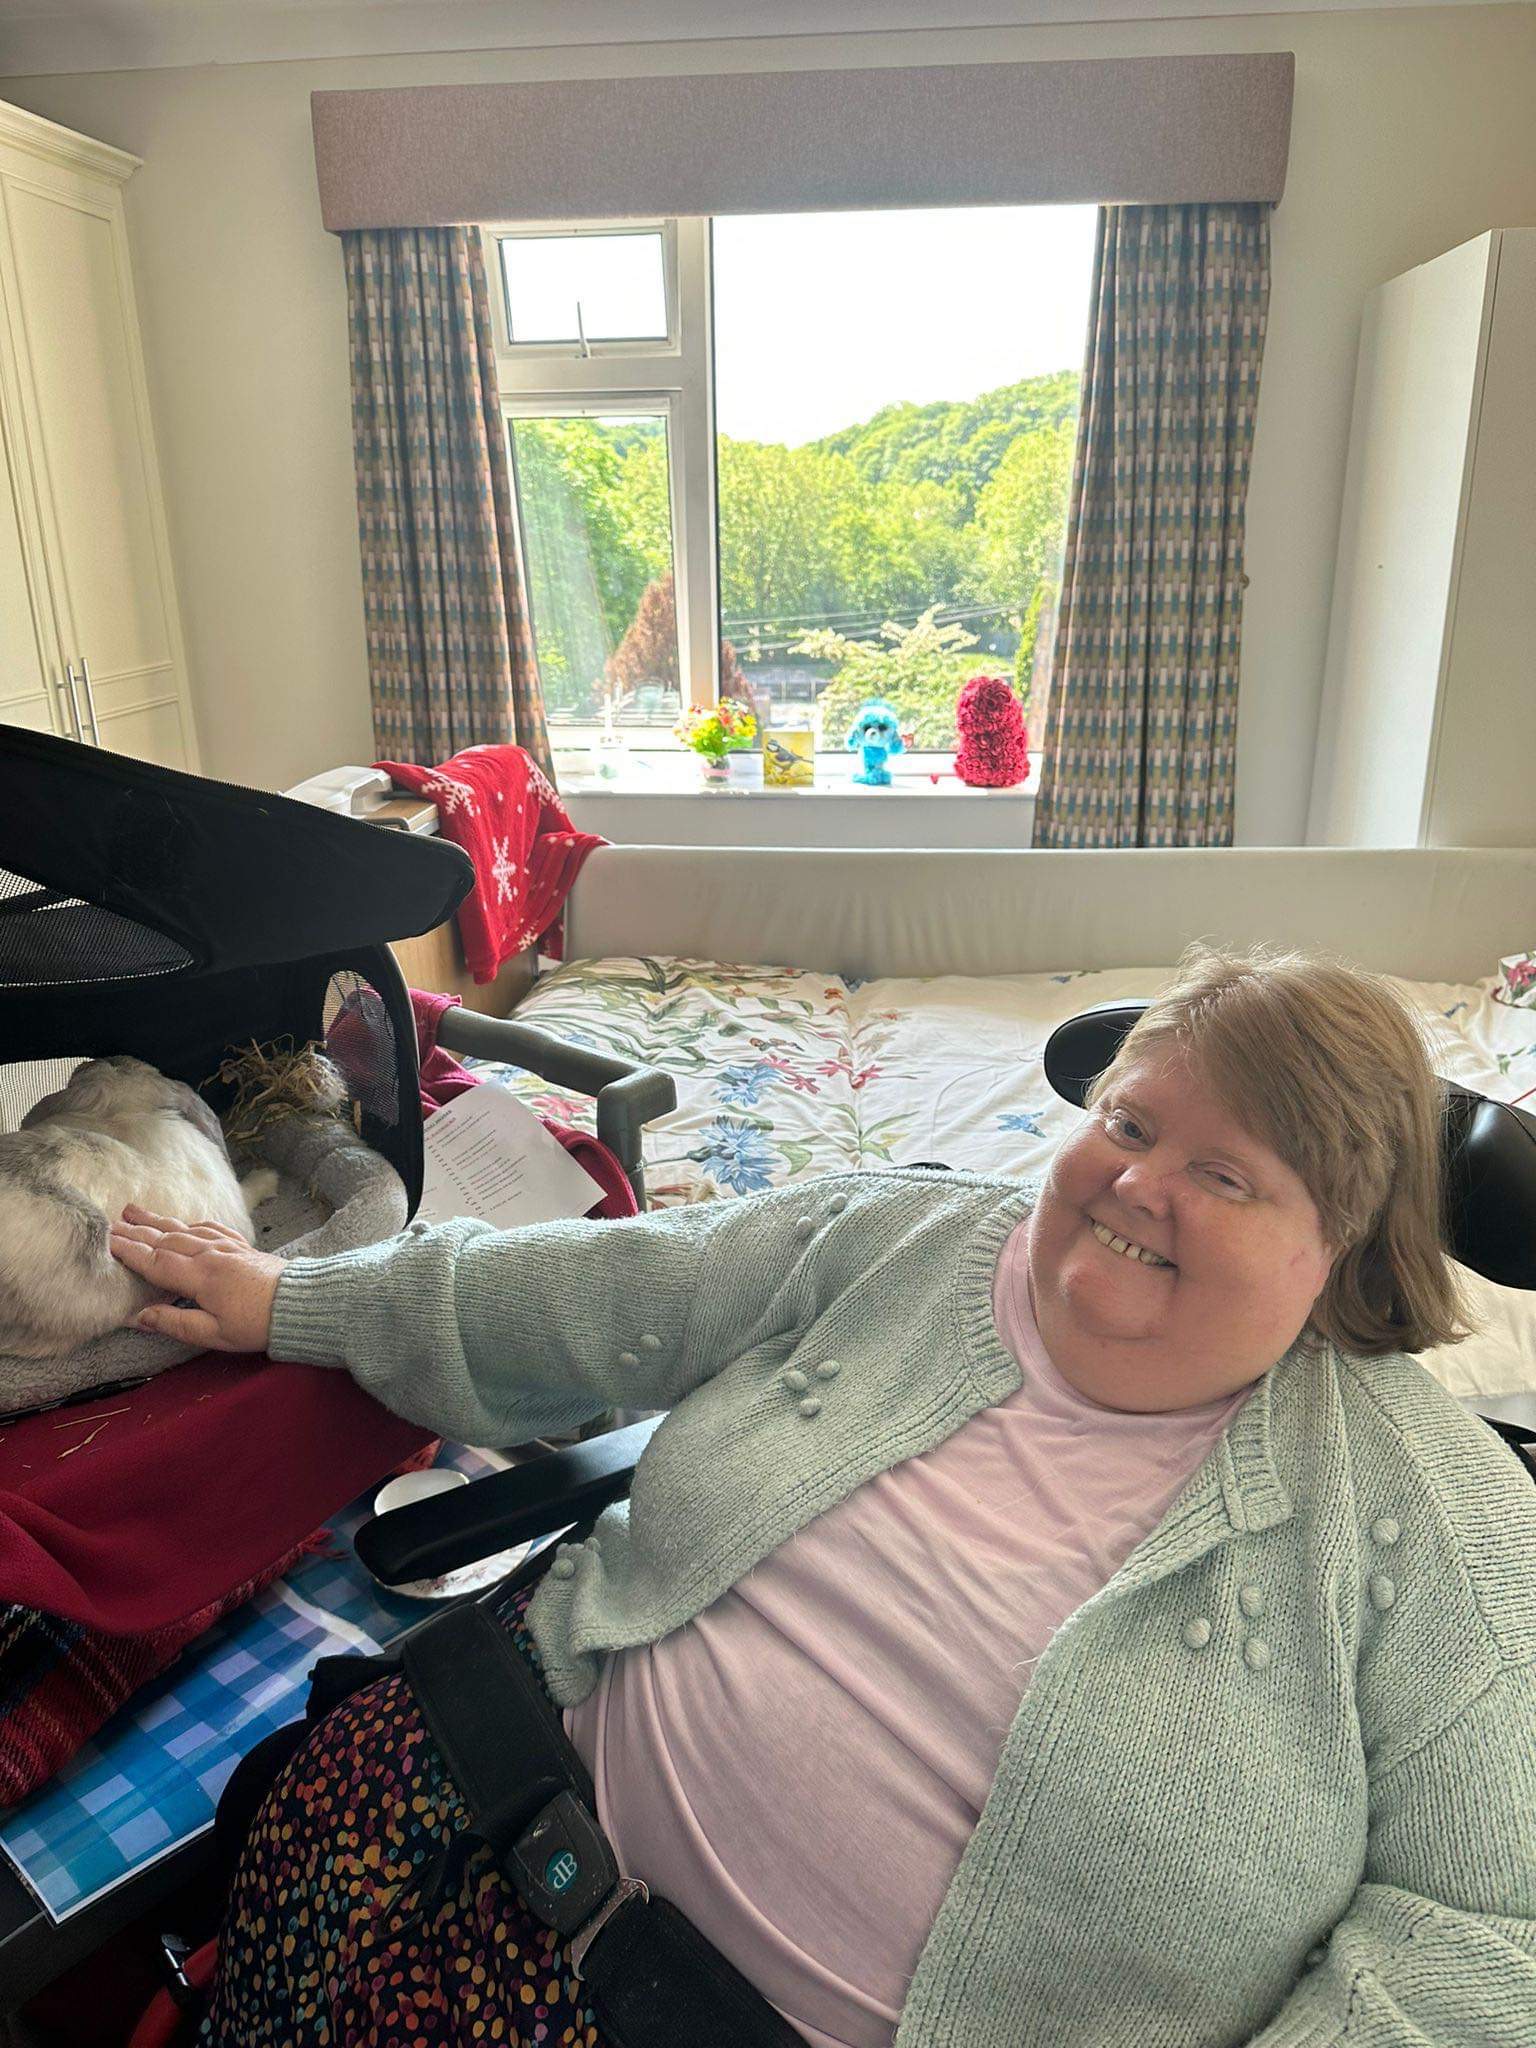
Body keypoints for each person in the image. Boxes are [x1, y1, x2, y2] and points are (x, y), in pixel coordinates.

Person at [110, 948, 1536, 2048]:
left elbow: (1486, 1945)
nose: (1138, 1183)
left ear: (1346, 1256)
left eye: (1224, 1173)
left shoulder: (1448, 1531)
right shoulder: (910, 1232)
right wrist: (297, 1298)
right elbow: (606, 1293)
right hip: (468, 1813)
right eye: (1128, 1121)